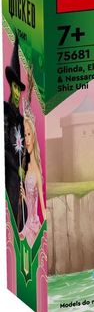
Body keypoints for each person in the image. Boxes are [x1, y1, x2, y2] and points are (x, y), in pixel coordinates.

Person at [4, 33, 27, 231]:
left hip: (22, 172)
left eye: (20, 89)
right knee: (12, 205)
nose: (17, 93)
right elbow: (4, 143)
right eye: (15, 88)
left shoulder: (21, 118)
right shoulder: (5, 111)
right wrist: (16, 166)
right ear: (10, 87)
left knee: (23, 210)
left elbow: (25, 144)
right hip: (10, 171)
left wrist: (24, 165)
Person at [19, 114, 44, 247]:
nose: (27, 140)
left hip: (33, 226)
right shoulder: (25, 167)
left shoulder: (37, 172)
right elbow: (30, 200)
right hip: (26, 224)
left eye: (29, 134)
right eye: (24, 135)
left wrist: (45, 228)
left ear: (33, 136)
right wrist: (24, 197)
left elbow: (42, 207)